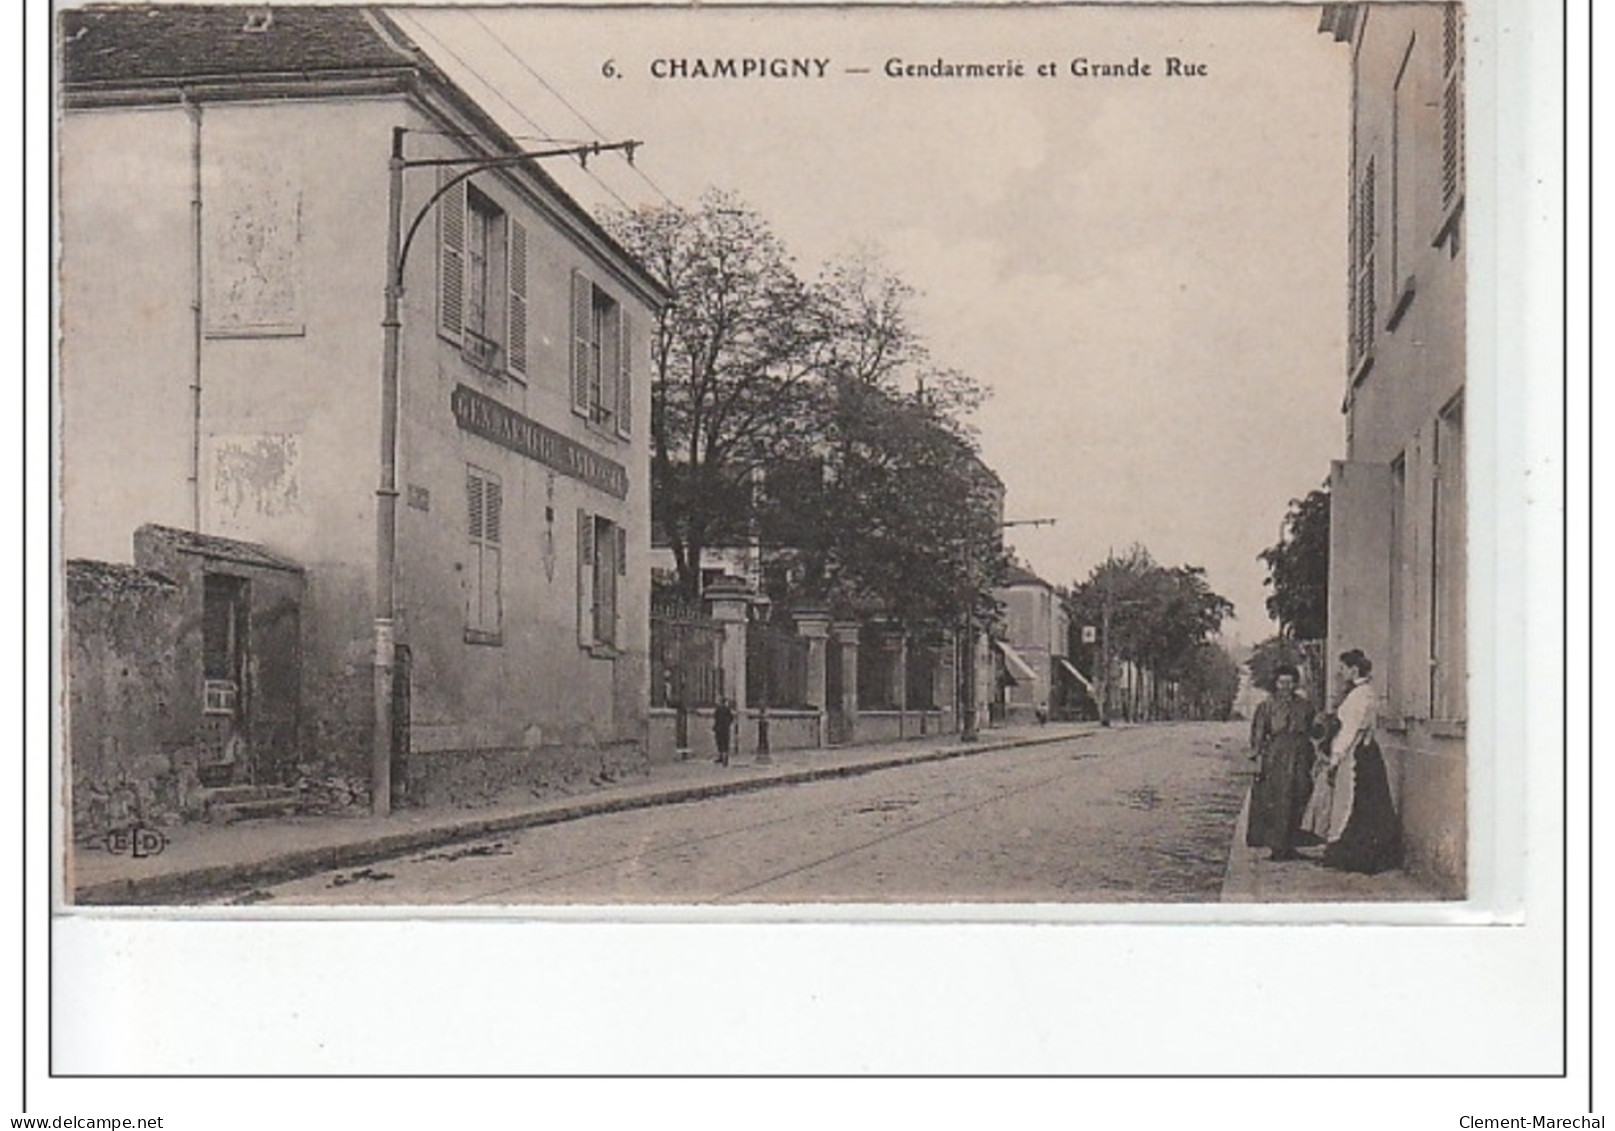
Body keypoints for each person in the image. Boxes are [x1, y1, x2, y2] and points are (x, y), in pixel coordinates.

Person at [1319, 649, 1403, 874]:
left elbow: (1350, 729)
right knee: (1363, 801)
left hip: (1356, 752)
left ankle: (1356, 854)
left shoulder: (1360, 695)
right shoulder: (1365, 692)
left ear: (1354, 669)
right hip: (1365, 749)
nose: (1340, 672)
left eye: (1343, 668)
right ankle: (1358, 851)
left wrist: (1335, 758)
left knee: (1354, 801)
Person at [1245, 663, 1316, 861]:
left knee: (1299, 796)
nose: (1285, 686)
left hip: (1301, 755)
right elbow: (1258, 734)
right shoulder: (1266, 706)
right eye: (1281, 682)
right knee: (1276, 800)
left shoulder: (1305, 706)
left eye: (1289, 682)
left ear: (1295, 683)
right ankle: (1276, 847)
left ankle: (1293, 844)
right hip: (1275, 757)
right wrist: (1258, 759)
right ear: (1275, 684)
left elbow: (1314, 730)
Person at [712, 697, 735, 766]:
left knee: (720, 743)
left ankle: (722, 757)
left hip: (719, 729)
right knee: (725, 743)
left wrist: (715, 727)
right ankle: (725, 758)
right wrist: (728, 724)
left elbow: (716, 718)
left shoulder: (718, 709)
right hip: (725, 729)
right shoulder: (727, 709)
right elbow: (731, 718)